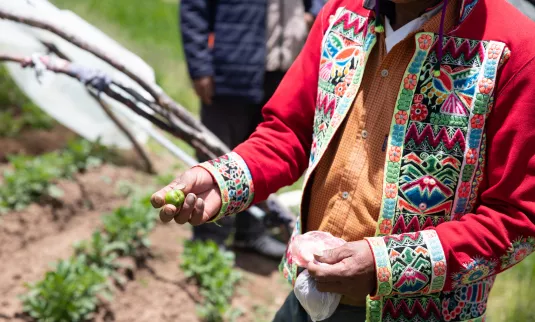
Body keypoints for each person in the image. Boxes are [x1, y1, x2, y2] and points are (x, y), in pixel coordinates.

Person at [156, 0, 535, 320]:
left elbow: (517, 217)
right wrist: (221, 180)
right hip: (308, 298)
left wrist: (387, 266)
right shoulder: (341, 15)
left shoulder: (514, 49)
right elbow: (288, 133)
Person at [179, 0, 326, 259]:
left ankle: (251, 232)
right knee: (218, 150)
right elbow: (194, 7)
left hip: (284, 66)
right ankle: (209, 241)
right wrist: (199, 66)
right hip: (232, 67)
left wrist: (315, 11)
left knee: (269, 154)